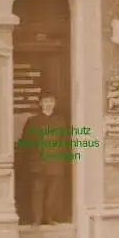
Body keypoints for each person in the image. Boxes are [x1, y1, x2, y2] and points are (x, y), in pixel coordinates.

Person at [19, 91, 68, 227]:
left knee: (52, 193)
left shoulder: (60, 122)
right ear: (41, 104)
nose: (48, 104)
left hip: (55, 163)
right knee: (37, 192)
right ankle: (37, 219)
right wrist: (29, 161)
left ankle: (49, 218)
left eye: (51, 101)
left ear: (55, 104)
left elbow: (64, 144)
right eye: (46, 101)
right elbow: (26, 143)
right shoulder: (33, 122)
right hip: (38, 164)